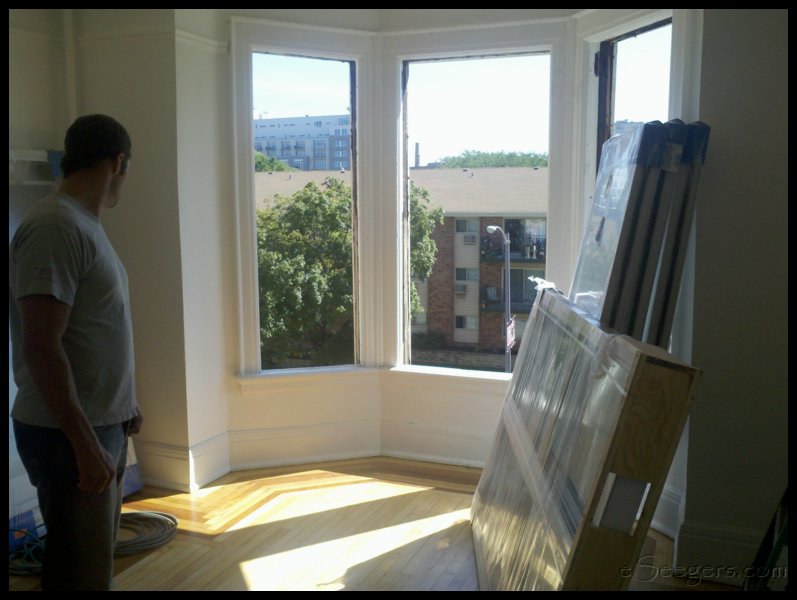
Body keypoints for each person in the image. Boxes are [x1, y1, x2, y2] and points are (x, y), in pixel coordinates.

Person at [9, 114, 143, 591]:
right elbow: (42, 346)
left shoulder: (81, 224)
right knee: (79, 575)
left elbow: (96, 329)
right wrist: (85, 444)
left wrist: (125, 406)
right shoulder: (56, 227)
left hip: (98, 424)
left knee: (92, 565)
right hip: (68, 434)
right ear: (118, 162)